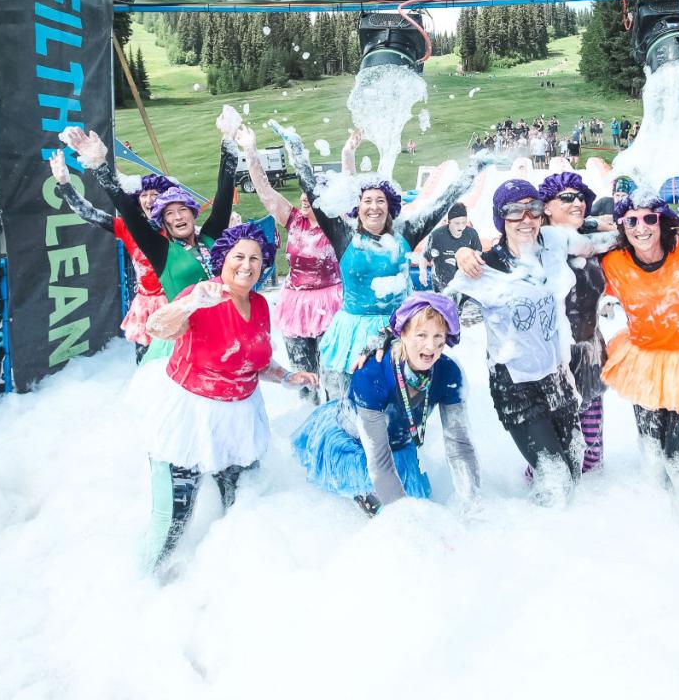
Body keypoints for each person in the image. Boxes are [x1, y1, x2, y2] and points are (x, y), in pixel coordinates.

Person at [137, 224, 318, 573]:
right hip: (190, 419)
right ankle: (143, 587)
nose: (247, 265)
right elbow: (157, 329)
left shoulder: (261, 304)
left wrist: (286, 377)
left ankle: (225, 585)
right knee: (174, 518)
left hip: (239, 421)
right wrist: (190, 303)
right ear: (223, 259)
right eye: (239, 257)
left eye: (255, 258)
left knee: (242, 508)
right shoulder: (202, 294)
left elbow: (256, 361)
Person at [278, 125, 480, 402]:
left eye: (380, 200)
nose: (374, 206)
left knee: (399, 406)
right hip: (351, 333)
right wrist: (296, 148)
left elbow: (441, 203)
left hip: (398, 331)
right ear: (358, 208)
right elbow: (312, 190)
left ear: (390, 206)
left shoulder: (405, 234)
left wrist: (473, 171)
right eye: (367, 201)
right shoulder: (343, 234)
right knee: (347, 406)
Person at [451, 179, 617, 499]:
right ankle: (529, 535)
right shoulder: (486, 267)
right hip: (517, 385)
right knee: (555, 478)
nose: (526, 219)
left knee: (573, 468)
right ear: (501, 219)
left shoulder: (552, 244)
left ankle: (555, 537)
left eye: (533, 210)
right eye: (514, 212)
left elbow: (599, 238)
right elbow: (441, 309)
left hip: (557, 379)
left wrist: (667, 228)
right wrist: (460, 251)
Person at [60, 126, 238, 363]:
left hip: (225, 331)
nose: (177, 216)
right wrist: (98, 165)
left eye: (182, 210)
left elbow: (224, 197)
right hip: (188, 337)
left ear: (193, 214)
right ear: (163, 221)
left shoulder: (208, 238)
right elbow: (125, 210)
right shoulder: (162, 251)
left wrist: (229, 142)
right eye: (170, 213)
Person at [291, 293, 480, 514]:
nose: (430, 346)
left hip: (398, 445)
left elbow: (459, 445)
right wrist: (403, 517)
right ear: (403, 334)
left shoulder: (449, 372)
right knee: (389, 514)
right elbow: (379, 460)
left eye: (438, 336)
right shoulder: (372, 373)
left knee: (422, 503)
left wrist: (471, 504)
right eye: (421, 335)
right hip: (356, 445)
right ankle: (359, 494)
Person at [599, 195, 679, 491]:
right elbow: (569, 239)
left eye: (649, 219)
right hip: (644, 361)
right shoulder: (612, 263)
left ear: (662, 221)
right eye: (631, 220)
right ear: (622, 225)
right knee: (652, 455)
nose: (640, 227)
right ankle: (656, 518)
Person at [232, 125, 341, 405]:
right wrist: (250, 150)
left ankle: (338, 424)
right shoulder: (293, 219)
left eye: (310, 191)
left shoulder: (336, 226)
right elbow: (265, 192)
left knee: (334, 376)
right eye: (302, 191)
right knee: (304, 377)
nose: (304, 196)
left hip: (330, 303)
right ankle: (310, 418)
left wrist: (347, 154)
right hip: (295, 305)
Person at [48, 155, 171, 355]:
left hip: (176, 301)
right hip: (146, 307)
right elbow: (90, 214)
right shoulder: (129, 228)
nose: (149, 200)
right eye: (143, 195)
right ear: (137, 202)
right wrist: (64, 183)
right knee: (148, 364)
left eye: (154, 194)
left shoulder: (178, 227)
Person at [539, 171, 612, 472]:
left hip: (589, 351)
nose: (577, 202)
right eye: (567, 197)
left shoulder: (592, 244)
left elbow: (642, 236)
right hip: (549, 358)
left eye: (581, 197)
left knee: (591, 452)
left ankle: (591, 512)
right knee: (551, 454)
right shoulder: (533, 245)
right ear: (546, 207)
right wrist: (465, 251)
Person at [425, 202, 481, 290]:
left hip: (464, 286)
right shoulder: (437, 235)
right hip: (441, 285)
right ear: (448, 221)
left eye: (464, 223)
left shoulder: (472, 234)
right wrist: (422, 272)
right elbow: (425, 257)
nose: (461, 227)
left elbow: (479, 256)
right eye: (457, 223)